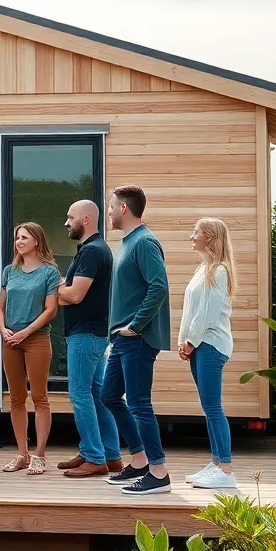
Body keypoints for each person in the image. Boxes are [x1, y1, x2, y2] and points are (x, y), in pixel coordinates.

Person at [101, 184, 173, 495]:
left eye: (111, 206)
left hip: (137, 338)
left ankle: (159, 472)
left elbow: (159, 287)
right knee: (109, 397)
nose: (109, 211)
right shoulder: (128, 242)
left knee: (140, 404)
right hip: (121, 339)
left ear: (124, 209)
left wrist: (135, 325)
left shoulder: (144, 242)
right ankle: (141, 460)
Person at [55, 199, 123, 478]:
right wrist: (64, 287)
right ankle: (109, 455)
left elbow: (75, 295)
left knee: (79, 394)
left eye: (70, 217)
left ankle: (95, 457)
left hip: (86, 333)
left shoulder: (92, 251)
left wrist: (55, 287)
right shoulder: (93, 249)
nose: (66, 222)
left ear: (85, 219)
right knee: (97, 395)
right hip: (93, 332)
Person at [0, 221, 60, 476]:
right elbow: (0, 307)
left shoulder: (49, 272)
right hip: (10, 340)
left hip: (36, 339)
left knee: (39, 397)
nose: (19, 242)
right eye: (17, 238)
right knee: (16, 398)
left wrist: (26, 331)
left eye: (24, 237)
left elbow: (51, 310)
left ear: (36, 241)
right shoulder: (9, 271)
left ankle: (40, 455)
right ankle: (22, 454)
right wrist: (3, 330)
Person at [179, 217, 238, 489]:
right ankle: (216, 464)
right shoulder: (203, 269)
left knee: (213, 406)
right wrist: (184, 341)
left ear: (210, 238)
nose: (192, 237)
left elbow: (208, 314)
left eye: (196, 232)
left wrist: (191, 341)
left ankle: (225, 469)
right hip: (199, 345)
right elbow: (191, 310)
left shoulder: (220, 271)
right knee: (208, 406)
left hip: (211, 345)